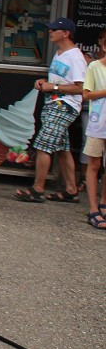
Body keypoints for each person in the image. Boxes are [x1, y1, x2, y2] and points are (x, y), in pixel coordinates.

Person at [15, 17, 87, 204]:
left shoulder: (75, 56)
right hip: (54, 104)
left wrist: (52, 88)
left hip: (65, 105)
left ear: (66, 33)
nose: (50, 32)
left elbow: (81, 87)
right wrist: (44, 83)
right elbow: (60, 81)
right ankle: (71, 190)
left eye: (55, 29)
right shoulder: (60, 54)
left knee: (43, 145)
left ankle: (38, 189)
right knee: (62, 149)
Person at [80, 29, 106, 230]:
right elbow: (86, 95)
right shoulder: (95, 67)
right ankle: (93, 208)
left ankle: (104, 203)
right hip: (98, 123)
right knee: (94, 165)